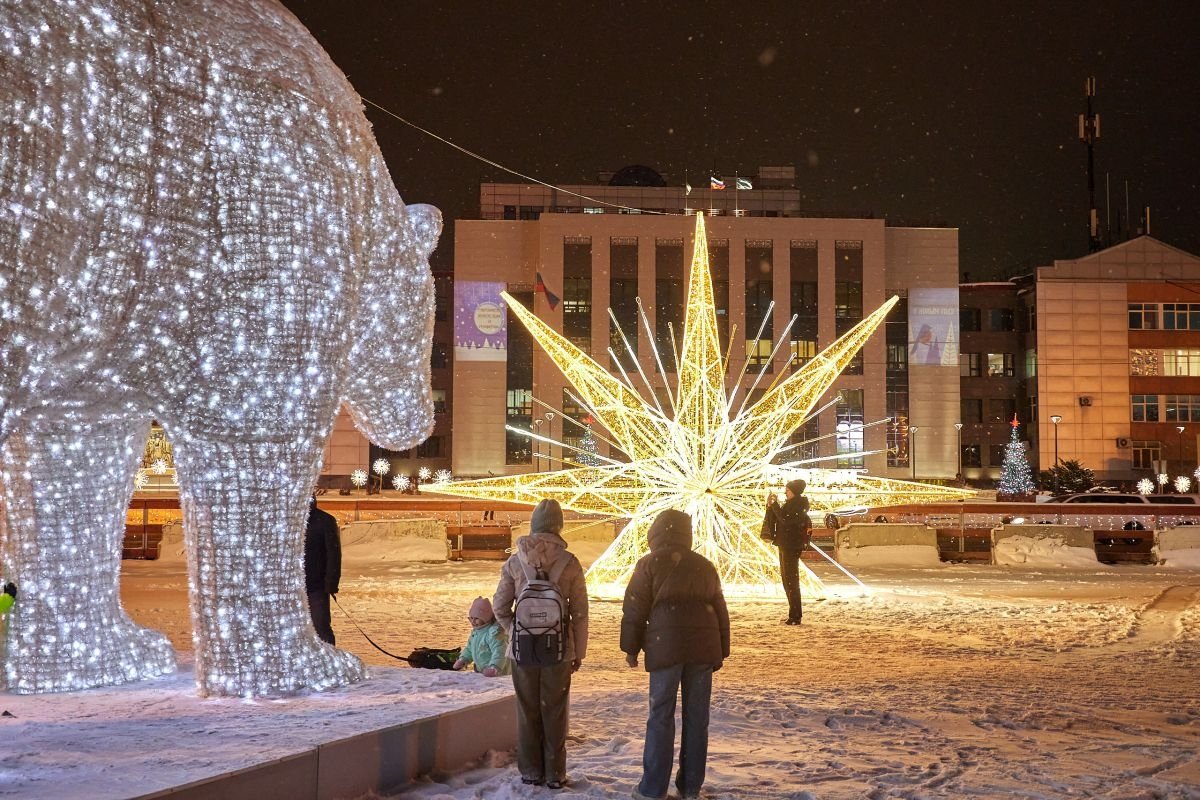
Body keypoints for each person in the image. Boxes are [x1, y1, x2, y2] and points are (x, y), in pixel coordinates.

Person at [621, 509, 730, 800]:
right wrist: (721, 649)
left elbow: (634, 609)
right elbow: (720, 609)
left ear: (655, 533)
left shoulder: (649, 564)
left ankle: (652, 788)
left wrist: (630, 648)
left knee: (660, 716)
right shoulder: (704, 565)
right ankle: (691, 786)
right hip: (702, 651)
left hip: (664, 647)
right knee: (697, 718)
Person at [493, 498, 589, 790]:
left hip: (523, 651)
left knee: (527, 710)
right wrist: (577, 651)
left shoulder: (515, 560)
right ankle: (555, 774)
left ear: (534, 524)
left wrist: (515, 632)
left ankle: (531, 771)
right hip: (557, 650)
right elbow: (580, 613)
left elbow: (499, 606)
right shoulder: (569, 563)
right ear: (558, 526)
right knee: (555, 711)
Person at [762, 479, 811, 625]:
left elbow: (785, 520)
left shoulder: (798, 505)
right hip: (784, 544)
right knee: (786, 580)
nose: (785, 492)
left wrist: (775, 505)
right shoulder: (791, 504)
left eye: (788, 490)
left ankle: (796, 615)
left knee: (791, 581)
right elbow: (781, 517)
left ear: (794, 492)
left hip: (791, 546)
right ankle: (793, 614)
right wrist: (772, 506)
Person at [303, 495, 341, 645]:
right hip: (294, 587)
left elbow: (333, 554)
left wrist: (331, 583)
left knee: (321, 627)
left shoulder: (325, 521)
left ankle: (328, 658)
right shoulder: (288, 522)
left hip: (316, 587)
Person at [452, 596, 510, 676]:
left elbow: (500, 651)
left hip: (498, 674)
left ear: (485, 618)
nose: (473, 621)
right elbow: (469, 649)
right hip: (482, 673)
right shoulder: (475, 633)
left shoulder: (493, 633)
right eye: (471, 618)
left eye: (476, 619)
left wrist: (494, 667)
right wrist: (463, 659)